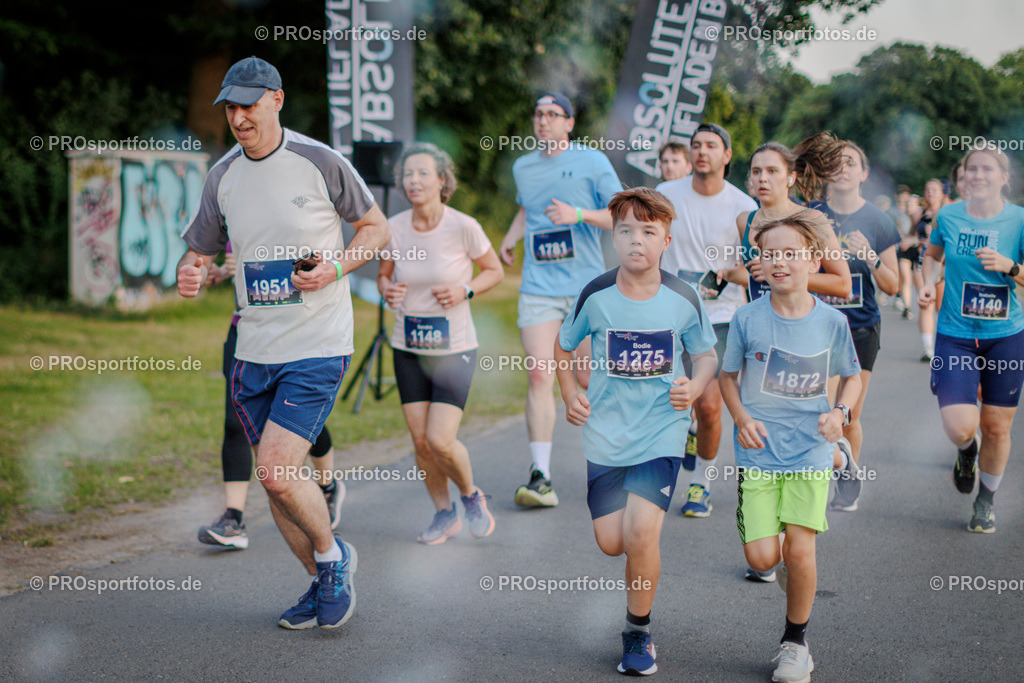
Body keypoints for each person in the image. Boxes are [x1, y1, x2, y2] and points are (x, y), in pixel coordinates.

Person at [177, 56, 390, 630]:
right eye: (231, 107)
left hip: (318, 342)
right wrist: (190, 272)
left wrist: (336, 268)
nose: (239, 117)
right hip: (254, 349)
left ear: (276, 99)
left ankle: (333, 560)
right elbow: (197, 252)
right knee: (279, 489)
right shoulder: (223, 175)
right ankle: (321, 581)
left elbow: (376, 229)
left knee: (274, 472)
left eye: (249, 105)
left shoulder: (319, 161)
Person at [555, 187, 718, 676]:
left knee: (642, 532)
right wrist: (569, 393)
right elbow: (564, 346)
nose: (636, 240)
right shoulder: (596, 294)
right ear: (614, 237)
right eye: (625, 230)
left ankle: (637, 632)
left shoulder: (683, 297)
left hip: (661, 431)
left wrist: (695, 386)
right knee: (613, 541)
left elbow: (706, 355)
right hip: (606, 436)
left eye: (648, 231)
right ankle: (637, 560)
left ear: (666, 240)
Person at [720, 211, 862, 683]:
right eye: (769, 254)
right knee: (763, 559)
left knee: (800, 551)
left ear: (813, 261)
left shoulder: (832, 321)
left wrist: (839, 414)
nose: (779, 262)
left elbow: (852, 377)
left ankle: (795, 645)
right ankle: (842, 458)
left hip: (809, 449)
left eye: (790, 254)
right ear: (759, 263)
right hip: (759, 451)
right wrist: (741, 419)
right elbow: (727, 377)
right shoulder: (747, 318)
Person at [500, 91, 622, 508]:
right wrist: (511, 238)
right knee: (539, 374)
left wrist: (579, 215)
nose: (543, 120)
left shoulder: (593, 162)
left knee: (588, 379)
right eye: (538, 114)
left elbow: (620, 214)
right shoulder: (523, 166)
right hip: (538, 287)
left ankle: (613, 462)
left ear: (569, 123)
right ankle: (541, 476)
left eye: (553, 114)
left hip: (583, 289)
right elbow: (528, 210)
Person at [377, 143, 503, 544]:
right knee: (421, 442)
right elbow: (384, 275)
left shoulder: (463, 226)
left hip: (454, 350)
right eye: (407, 174)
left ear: (442, 180)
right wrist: (387, 290)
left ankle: (470, 496)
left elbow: (494, 270)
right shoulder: (393, 227)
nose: (413, 181)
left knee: (440, 440)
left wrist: (465, 290)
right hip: (408, 347)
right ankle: (444, 514)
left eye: (422, 173)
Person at [197, 246, 345, 549]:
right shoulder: (233, 217)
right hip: (247, 332)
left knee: (299, 419)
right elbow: (230, 263)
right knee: (236, 420)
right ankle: (233, 518)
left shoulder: (299, 218)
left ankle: (327, 486)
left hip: (297, 329)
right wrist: (220, 272)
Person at [919, 145, 1024, 534]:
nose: (978, 175)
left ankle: (986, 501)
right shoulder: (948, 216)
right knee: (960, 426)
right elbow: (933, 256)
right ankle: (967, 451)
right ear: (963, 176)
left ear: (1003, 177)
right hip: (956, 334)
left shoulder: (1019, 220)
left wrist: (1010, 266)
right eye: (972, 169)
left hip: (1005, 335)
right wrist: (928, 282)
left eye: (987, 169)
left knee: (996, 426)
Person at [655, 123, 756, 520]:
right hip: (668, 314)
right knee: (664, 402)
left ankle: (701, 483)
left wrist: (729, 273)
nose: (701, 151)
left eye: (711, 146)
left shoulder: (742, 206)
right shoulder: (666, 195)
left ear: (727, 155)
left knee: (711, 406)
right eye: (696, 145)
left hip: (719, 317)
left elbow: (757, 270)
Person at [813, 142, 901, 512]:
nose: (843, 168)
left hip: (861, 328)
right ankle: (814, 485)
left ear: (864, 173)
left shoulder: (878, 221)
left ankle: (848, 470)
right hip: (817, 327)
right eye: (836, 163)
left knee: (848, 415)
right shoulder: (812, 215)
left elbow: (893, 286)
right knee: (818, 412)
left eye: (851, 163)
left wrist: (869, 256)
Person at [912, 179, 950, 360]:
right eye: (927, 189)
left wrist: (934, 237)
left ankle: (944, 345)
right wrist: (918, 241)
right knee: (925, 304)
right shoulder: (918, 213)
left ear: (942, 194)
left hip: (943, 264)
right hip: (922, 262)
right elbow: (911, 235)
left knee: (941, 307)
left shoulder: (948, 214)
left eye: (934, 190)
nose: (930, 193)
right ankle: (928, 348)